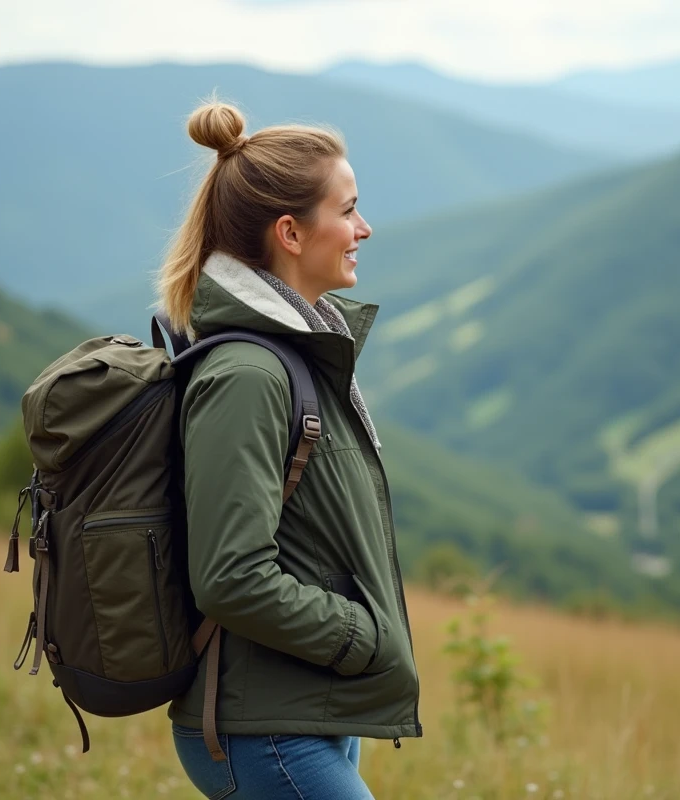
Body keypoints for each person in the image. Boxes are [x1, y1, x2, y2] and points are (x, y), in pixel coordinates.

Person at [156, 101, 421, 800]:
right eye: (350, 210)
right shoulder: (248, 377)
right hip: (263, 730)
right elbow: (231, 576)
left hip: (306, 708)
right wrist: (360, 637)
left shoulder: (300, 353)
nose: (364, 229)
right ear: (291, 233)